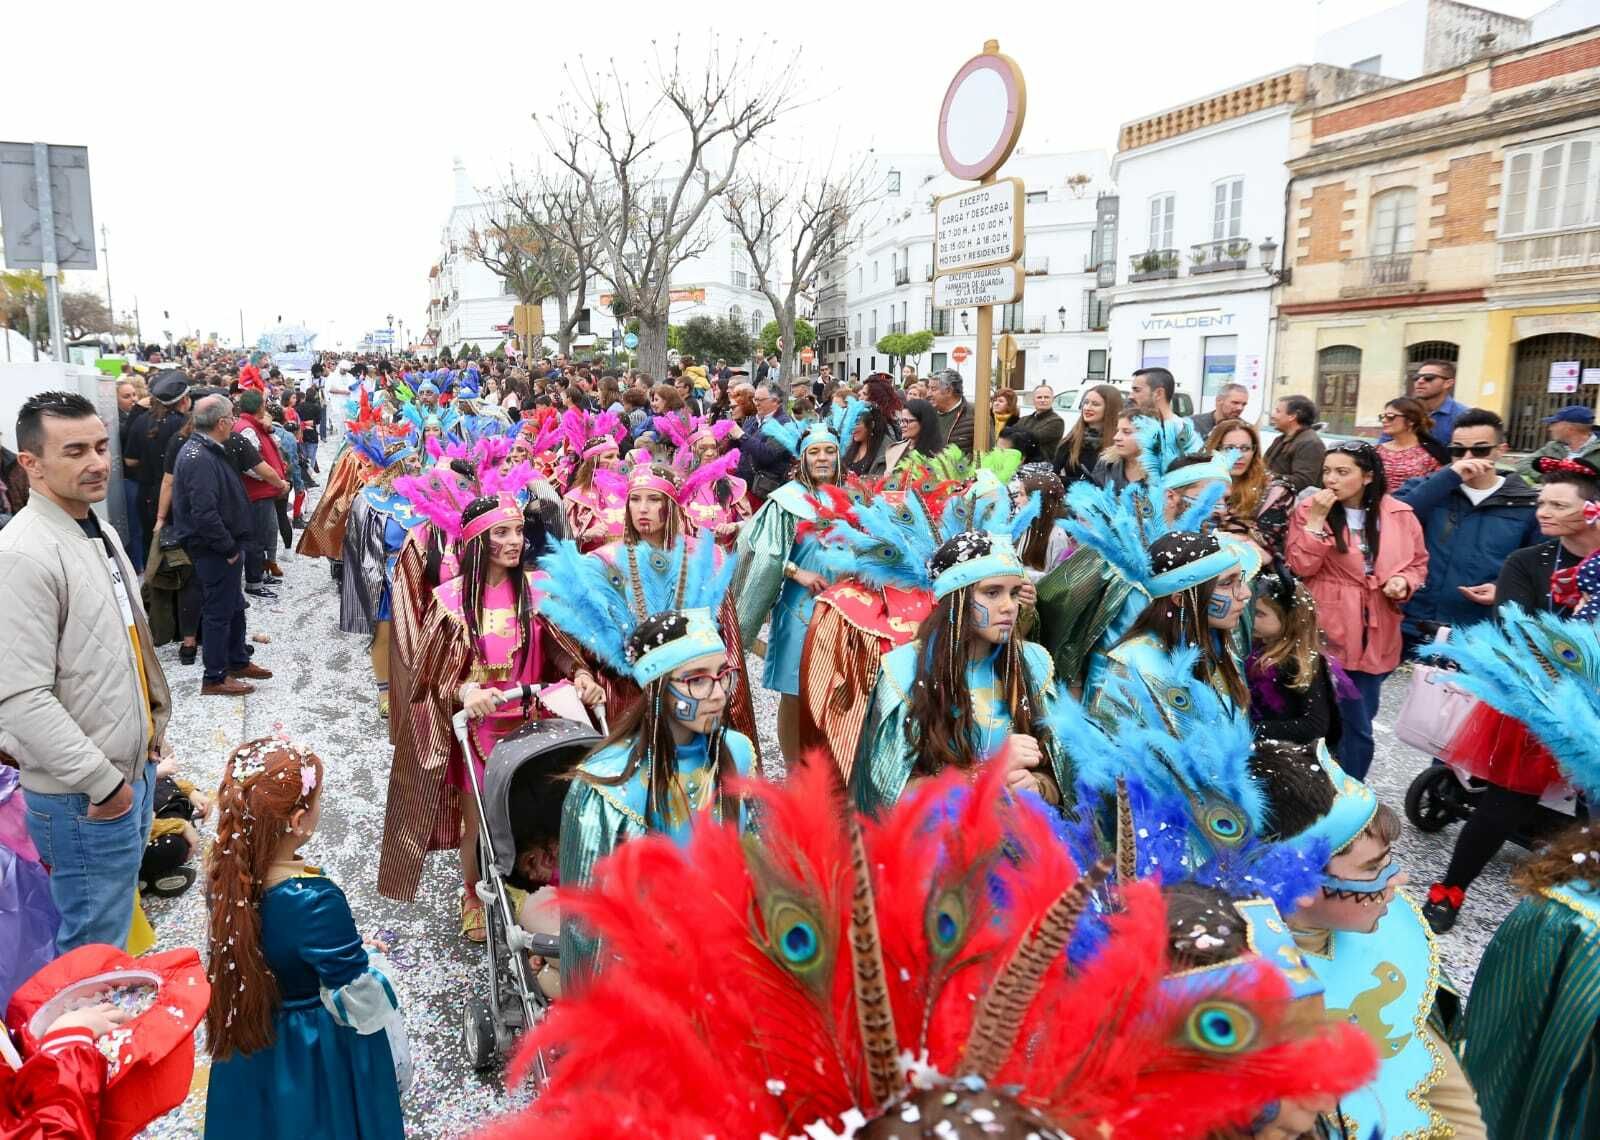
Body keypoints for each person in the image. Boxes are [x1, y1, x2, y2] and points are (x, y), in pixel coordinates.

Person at [0, 391, 172, 952]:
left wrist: (151, 729)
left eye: (101, 446)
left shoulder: (96, 529)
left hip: (126, 773)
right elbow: (21, 699)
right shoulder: (24, 554)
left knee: (113, 926)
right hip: (85, 795)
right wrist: (107, 787)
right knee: (94, 953)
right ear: (31, 463)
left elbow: (123, 644)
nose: (97, 462)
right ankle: (93, 1040)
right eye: (74, 451)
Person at [1248, 749, 1487, 1138]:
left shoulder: (1390, 931)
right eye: (1373, 868)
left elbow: (1449, 1095)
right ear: (1305, 884)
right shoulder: (1247, 995)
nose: (1398, 879)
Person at [1418, 454, 1600, 933]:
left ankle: (1578, 910)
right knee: (1503, 804)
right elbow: (1516, 634)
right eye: (1541, 502)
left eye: (1558, 505)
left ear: (1593, 510)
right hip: (1537, 699)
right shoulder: (1529, 562)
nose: (1543, 512)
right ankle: (1450, 889)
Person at [203, 740, 406, 1140]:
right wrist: (367, 965)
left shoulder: (227, 874)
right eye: (317, 803)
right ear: (298, 821)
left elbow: (279, 945)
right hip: (310, 1052)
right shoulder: (312, 899)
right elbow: (357, 998)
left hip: (252, 1034)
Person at [557, 603, 756, 988]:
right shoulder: (608, 786)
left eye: (722, 676)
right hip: (645, 973)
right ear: (659, 687)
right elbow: (587, 927)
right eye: (697, 680)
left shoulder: (738, 752)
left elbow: (751, 851)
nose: (718, 693)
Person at [854, 528, 1068, 816]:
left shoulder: (1032, 664)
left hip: (1025, 842)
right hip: (943, 849)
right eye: (992, 593)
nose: (1009, 607)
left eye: (1015, 593)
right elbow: (888, 795)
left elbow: (1063, 780)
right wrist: (986, 774)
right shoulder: (903, 672)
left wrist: (1038, 787)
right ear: (958, 598)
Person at [1287, 442, 1428, 780]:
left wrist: (1403, 582)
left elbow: (1418, 563)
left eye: (1342, 472)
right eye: (1327, 471)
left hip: (1377, 629)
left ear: (1367, 476)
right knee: (1319, 716)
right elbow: (1300, 565)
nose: (1331, 480)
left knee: (1360, 720)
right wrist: (1317, 521)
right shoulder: (1310, 509)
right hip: (1327, 627)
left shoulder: (1399, 514)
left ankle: (1352, 790)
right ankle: (1309, 787)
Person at [733, 419, 842, 762]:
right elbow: (758, 550)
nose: (822, 458)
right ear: (803, 458)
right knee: (795, 694)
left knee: (838, 694)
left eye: (830, 451)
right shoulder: (786, 501)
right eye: (815, 452)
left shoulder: (855, 500)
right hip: (800, 612)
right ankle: (795, 771)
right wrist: (796, 571)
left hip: (845, 612)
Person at [1396, 408, 1540, 651]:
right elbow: (1396, 517)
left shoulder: (1526, 504)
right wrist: (1448, 477)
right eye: (1458, 450)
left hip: (1480, 630)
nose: (1468, 457)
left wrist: (1502, 587)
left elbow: (1537, 564)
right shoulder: (1430, 489)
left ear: (1501, 450)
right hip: (1414, 620)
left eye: (1480, 449)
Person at [172, 395, 268, 697]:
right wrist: (227, 548)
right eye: (231, 416)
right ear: (221, 422)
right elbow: (204, 513)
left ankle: (237, 659)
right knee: (218, 611)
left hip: (227, 544)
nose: (234, 421)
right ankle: (214, 676)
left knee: (234, 605)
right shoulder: (198, 457)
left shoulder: (207, 449)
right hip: (214, 549)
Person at [1247, 564, 1348, 751]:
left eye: (1260, 614)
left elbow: (1314, 726)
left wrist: (1253, 730)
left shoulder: (1301, 662)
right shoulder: (1255, 648)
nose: (1252, 618)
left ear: (1289, 619)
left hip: (1286, 755)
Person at [231, 390, 291, 590]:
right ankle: (254, 580)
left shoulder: (252, 426)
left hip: (263, 490)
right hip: (257, 492)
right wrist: (272, 479)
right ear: (259, 407)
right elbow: (250, 465)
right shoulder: (247, 429)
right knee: (258, 536)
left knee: (266, 533)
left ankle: (262, 573)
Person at [1205, 418, 1268, 550]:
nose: (1238, 455)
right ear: (1215, 449)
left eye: (1245, 448)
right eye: (1229, 448)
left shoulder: (1269, 489)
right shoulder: (1199, 485)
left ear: (1254, 451)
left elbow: (1268, 550)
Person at [726, 380, 794, 502]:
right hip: (745, 486)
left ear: (775, 401)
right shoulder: (753, 420)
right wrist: (729, 437)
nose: (756, 404)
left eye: (760, 400)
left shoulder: (785, 425)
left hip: (764, 492)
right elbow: (742, 448)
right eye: (754, 399)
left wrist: (741, 435)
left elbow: (767, 455)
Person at [1052, 382, 1120, 487]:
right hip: (1070, 500)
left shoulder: (1119, 442)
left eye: (1095, 404)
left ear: (1109, 408)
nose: (1087, 408)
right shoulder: (1071, 440)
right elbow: (1052, 477)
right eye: (1086, 402)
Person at [1515, 403, 1600, 484]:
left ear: (1569, 428)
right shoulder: (1553, 446)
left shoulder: (1597, 449)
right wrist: (1548, 478)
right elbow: (1523, 464)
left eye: (1553, 424)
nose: (1550, 428)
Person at [1376, 395, 1447, 487]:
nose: (1384, 420)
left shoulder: (1431, 454)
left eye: (1390, 416)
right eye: (1382, 417)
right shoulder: (1377, 451)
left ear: (1411, 420)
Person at [1128, 366, 1202, 453]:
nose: (1130, 396)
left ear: (1159, 393)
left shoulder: (1181, 432)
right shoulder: (1132, 425)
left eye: (1137, 390)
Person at [1263, 394, 1326, 494]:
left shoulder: (1310, 443)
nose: (1273, 415)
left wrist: (1268, 477)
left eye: (1278, 411)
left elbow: (1304, 481)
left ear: (1292, 416)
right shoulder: (1280, 439)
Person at [1407, 358, 1467, 447]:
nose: (1420, 381)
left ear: (1448, 383)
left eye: (1429, 377)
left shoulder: (1463, 416)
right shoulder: (1403, 412)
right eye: (1416, 377)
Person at [1090, 409, 1147, 491]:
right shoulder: (1106, 464)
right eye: (1118, 431)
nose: (1116, 437)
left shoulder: (1160, 471)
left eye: (1126, 432)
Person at [882, 397, 940, 473]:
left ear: (923, 422)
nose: (902, 425)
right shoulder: (895, 449)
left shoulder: (939, 456)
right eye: (902, 421)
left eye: (907, 421)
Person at [927, 368, 974, 457]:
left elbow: (986, 454)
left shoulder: (974, 415)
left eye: (933, 389)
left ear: (948, 391)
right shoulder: (927, 415)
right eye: (928, 388)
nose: (928, 394)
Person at [842, 401, 891, 477]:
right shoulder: (850, 445)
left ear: (871, 424)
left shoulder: (886, 450)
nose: (852, 428)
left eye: (856, 424)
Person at [1016, 384, 1064, 457]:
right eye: (1039, 397)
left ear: (1053, 399)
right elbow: (1010, 436)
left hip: (1043, 466)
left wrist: (1018, 435)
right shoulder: (1023, 419)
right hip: (1020, 462)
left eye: (1046, 397)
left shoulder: (1057, 422)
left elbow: (1033, 438)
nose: (1043, 400)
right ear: (1033, 400)